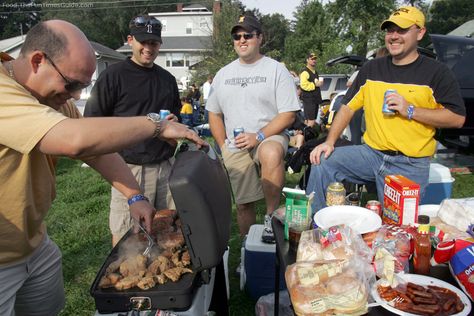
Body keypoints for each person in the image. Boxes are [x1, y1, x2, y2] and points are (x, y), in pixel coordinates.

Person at [0, 20, 205, 316]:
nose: (74, 96)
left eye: (82, 87)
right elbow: (74, 141)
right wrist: (156, 126)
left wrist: (134, 196)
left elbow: (97, 152)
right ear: (36, 61)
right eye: (71, 84)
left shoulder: (51, 100)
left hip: (33, 244)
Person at [306, 6, 465, 213]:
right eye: (390, 31)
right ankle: (317, 230)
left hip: (410, 164)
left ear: (420, 33)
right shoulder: (372, 69)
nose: (394, 36)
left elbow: (457, 118)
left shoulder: (437, 72)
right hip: (371, 154)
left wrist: (410, 110)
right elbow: (347, 107)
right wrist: (329, 141)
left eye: (402, 30)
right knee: (323, 161)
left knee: (398, 230)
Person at [84, 15, 182, 246]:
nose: (148, 48)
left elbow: (175, 120)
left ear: (160, 44)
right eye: (143, 42)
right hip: (130, 169)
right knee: (127, 235)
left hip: (165, 166)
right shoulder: (113, 76)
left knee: (168, 229)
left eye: (153, 43)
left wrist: (175, 123)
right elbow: (92, 123)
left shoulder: (167, 79)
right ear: (130, 40)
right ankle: (126, 270)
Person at [206, 15, 300, 242]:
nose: (242, 40)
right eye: (237, 36)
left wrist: (258, 136)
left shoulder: (276, 70)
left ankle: (269, 217)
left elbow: (288, 113)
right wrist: (222, 146)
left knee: (270, 152)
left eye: (248, 35)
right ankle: (249, 246)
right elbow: (214, 113)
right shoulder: (223, 74)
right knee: (243, 204)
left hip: (269, 135)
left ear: (260, 38)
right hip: (236, 144)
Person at [299, 53, 324, 128]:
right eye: (312, 59)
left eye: (315, 59)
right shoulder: (305, 72)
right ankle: (308, 138)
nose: (314, 60)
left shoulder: (315, 72)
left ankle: (305, 137)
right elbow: (303, 85)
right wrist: (315, 85)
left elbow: (315, 82)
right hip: (309, 100)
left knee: (309, 121)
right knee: (311, 121)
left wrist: (319, 83)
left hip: (314, 99)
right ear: (307, 60)